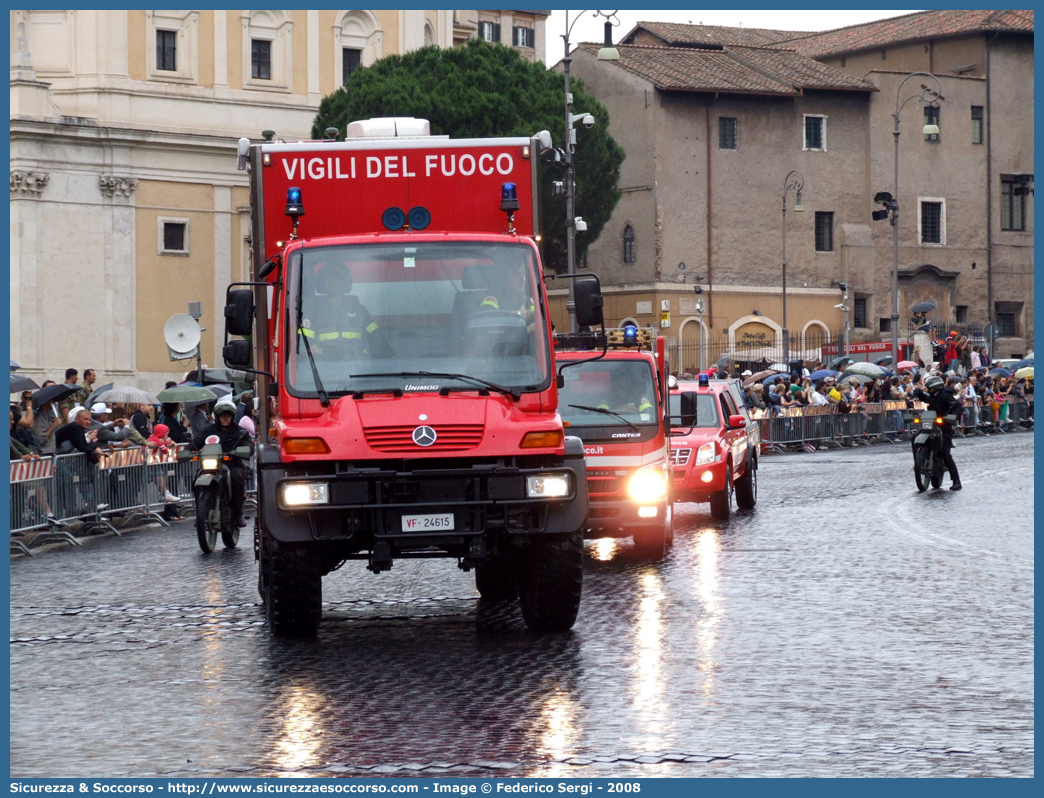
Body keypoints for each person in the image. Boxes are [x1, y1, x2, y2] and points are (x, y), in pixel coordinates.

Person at [299, 262, 393, 359]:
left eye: (336, 278)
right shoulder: (314, 310)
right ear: (322, 282)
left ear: (344, 282)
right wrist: (308, 348)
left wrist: (389, 355)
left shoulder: (358, 309)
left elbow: (375, 336)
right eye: (328, 278)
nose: (331, 281)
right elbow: (303, 341)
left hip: (357, 365)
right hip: (323, 367)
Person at [190, 399, 253, 528]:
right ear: (217, 416)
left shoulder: (239, 432)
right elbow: (196, 441)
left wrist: (244, 450)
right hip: (212, 465)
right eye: (222, 415)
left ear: (232, 417)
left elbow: (248, 445)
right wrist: (187, 450)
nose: (225, 418)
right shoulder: (209, 429)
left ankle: (238, 513)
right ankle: (200, 513)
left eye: (228, 415)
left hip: (232, 464)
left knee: (236, 477)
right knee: (197, 477)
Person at [912, 375, 963, 490]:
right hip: (931, 425)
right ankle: (918, 461)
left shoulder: (945, 396)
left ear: (933, 387)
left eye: (928, 387)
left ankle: (956, 481)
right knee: (914, 436)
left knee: (945, 453)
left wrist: (952, 417)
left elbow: (958, 407)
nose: (927, 389)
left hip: (944, 427)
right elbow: (926, 399)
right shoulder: (934, 396)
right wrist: (918, 393)